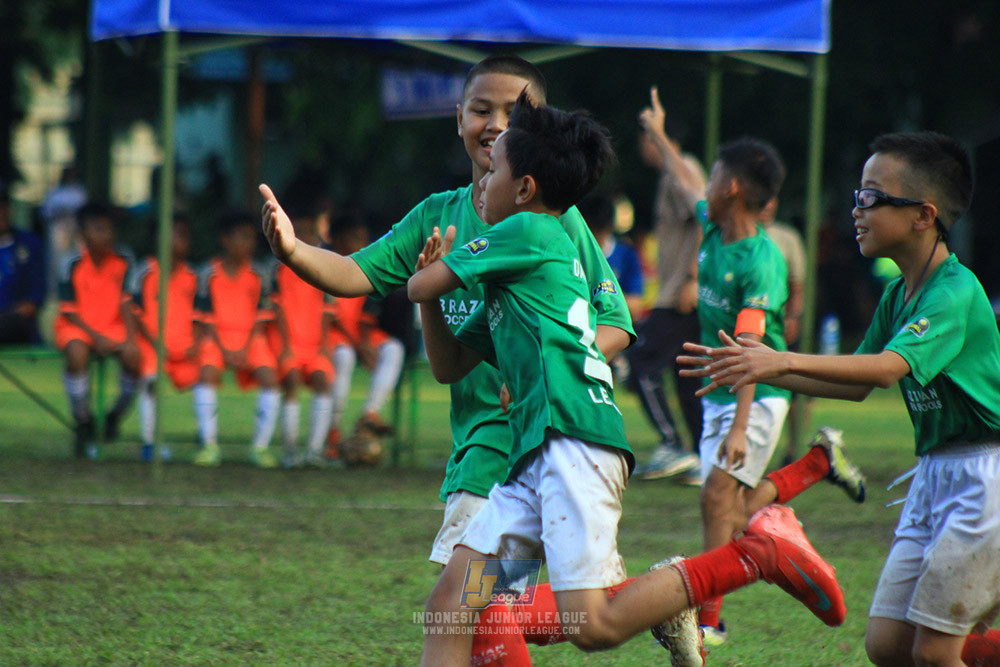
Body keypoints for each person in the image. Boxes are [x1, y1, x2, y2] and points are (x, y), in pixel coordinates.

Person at [408, 91, 847, 667]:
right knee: (459, 604)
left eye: (492, 172)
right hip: (534, 459)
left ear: (525, 190)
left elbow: (422, 286)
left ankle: (755, 555)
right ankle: (666, 596)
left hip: (572, 448)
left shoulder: (524, 234)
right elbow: (448, 358)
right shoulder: (524, 261)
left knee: (593, 625)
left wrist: (426, 275)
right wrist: (432, 299)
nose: (479, 184)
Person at [260, 55, 634, 664]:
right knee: (488, 612)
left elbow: (613, 323)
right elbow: (358, 274)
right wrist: (295, 250)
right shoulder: (438, 214)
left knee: (460, 609)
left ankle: (657, 594)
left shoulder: (553, 219)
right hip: (503, 453)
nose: (495, 123)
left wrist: (549, 368)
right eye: (482, 109)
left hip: (522, 446)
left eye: (513, 112)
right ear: (458, 118)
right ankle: (652, 598)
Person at [678, 131, 1000, 667]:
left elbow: (882, 371)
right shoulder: (900, 293)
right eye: (857, 196)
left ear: (923, 215)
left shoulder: (952, 291)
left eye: (870, 197)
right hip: (934, 475)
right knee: (887, 646)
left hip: (982, 479)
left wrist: (777, 360)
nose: (856, 210)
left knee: (935, 653)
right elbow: (851, 383)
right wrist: (755, 368)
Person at [683, 138, 868, 647]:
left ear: (732, 187)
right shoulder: (712, 227)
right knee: (735, 515)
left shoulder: (761, 262)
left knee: (716, 499)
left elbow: (751, 346)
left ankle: (708, 622)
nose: (706, 185)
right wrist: (658, 138)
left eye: (714, 174)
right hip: (721, 394)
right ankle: (817, 462)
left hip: (759, 394)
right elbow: (682, 183)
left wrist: (741, 426)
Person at [627, 86, 706, 483]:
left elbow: (704, 212)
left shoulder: (683, 167)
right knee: (685, 374)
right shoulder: (667, 175)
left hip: (680, 295)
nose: (642, 146)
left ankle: (673, 443)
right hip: (675, 292)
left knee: (639, 361)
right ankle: (697, 455)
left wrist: (693, 278)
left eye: (646, 137)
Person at [191, 210, 281, 468]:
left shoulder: (260, 274)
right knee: (206, 375)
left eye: (251, 238)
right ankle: (209, 446)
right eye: (242, 237)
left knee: (270, 379)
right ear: (226, 241)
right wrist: (225, 349)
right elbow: (205, 317)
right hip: (216, 337)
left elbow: (262, 317)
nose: (249, 244)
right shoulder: (208, 273)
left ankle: (260, 448)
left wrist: (244, 347)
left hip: (252, 338)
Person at [53, 203, 140, 459]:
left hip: (113, 327)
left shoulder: (125, 259)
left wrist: (132, 340)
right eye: (99, 229)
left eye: (109, 229)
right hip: (77, 327)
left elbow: (128, 303)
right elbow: (69, 310)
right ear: (83, 234)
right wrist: (96, 337)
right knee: (77, 353)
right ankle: (83, 420)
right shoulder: (71, 261)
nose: (107, 235)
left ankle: (113, 417)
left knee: (135, 357)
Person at [321, 212, 405, 457]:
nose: (363, 243)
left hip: (361, 335)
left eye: (363, 237)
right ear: (336, 240)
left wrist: (367, 343)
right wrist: (360, 347)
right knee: (344, 356)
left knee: (394, 349)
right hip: (337, 337)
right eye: (355, 237)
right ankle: (333, 430)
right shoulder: (325, 264)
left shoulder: (367, 264)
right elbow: (332, 317)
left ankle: (370, 413)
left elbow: (369, 314)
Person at [267, 197, 335, 468]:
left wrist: (323, 346)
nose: (308, 236)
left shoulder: (324, 266)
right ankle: (291, 451)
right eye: (302, 231)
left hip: (314, 345)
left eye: (311, 231)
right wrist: (285, 346)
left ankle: (314, 452)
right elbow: (278, 309)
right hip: (289, 345)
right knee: (292, 381)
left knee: (322, 381)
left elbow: (328, 313)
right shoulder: (279, 269)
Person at [126, 214, 200, 462]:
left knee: (206, 376)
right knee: (150, 381)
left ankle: (207, 443)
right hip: (152, 346)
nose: (182, 241)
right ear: (159, 237)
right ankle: (151, 442)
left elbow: (201, 316)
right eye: (176, 234)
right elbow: (134, 311)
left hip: (184, 347)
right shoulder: (144, 272)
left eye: (185, 236)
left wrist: (195, 344)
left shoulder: (193, 276)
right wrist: (157, 343)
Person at [758, 199, 810, 464]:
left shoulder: (786, 237)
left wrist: (793, 316)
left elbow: (796, 283)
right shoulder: (737, 235)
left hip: (779, 323)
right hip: (750, 325)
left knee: (797, 384)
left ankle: (794, 448)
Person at [578, 191, 645, 324]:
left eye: (597, 232)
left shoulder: (626, 255)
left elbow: (635, 306)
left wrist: (599, 297)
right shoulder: (573, 254)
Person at [0, 183, 45, 344]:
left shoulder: (30, 245)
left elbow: (34, 302)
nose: (2, 213)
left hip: (17, 325)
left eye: (4, 207)